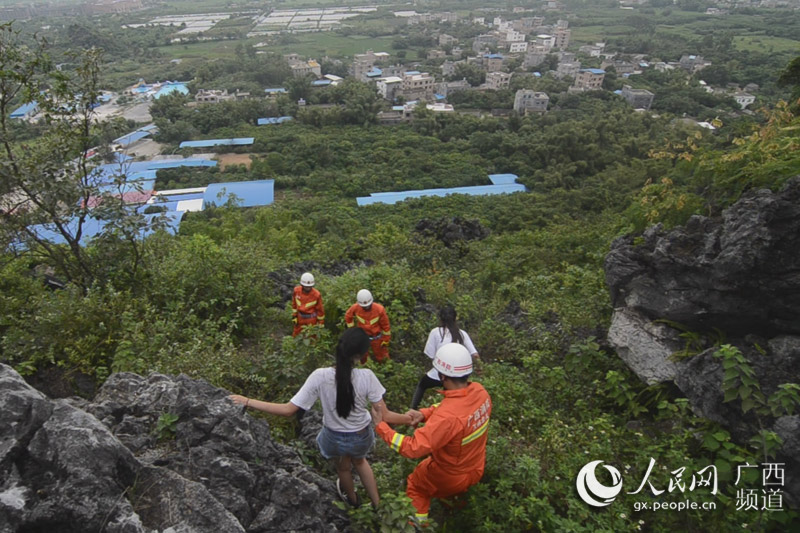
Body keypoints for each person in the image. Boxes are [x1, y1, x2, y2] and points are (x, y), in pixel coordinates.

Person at [229, 328, 409, 508]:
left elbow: (287, 409)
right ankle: (378, 506)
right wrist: (410, 418)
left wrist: (248, 401)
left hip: (334, 438)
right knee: (360, 461)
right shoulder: (367, 377)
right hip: (360, 436)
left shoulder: (320, 376)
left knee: (343, 468)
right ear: (362, 355)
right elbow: (385, 415)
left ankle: (353, 502)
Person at [372, 343, 492, 524]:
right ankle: (456, 509)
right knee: (453, 491)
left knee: (417, 486)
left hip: (449, 475)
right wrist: (424, 414)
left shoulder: (447, 418)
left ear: (443, 376)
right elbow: (450, 408)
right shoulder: (481, 393)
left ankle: (417, 526)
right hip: (476, 466)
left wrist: (381, 427)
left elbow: (412, 448)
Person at [411, 305, 480, 410]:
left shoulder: (435, 332)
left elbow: (430, 354)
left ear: (441, 318)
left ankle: (413, 410)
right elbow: (475, 354)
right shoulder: (462, 334)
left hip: (439, 373)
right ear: (455, 318)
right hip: (458, 376)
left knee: (422, 385)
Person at [344, 289, 391, 363]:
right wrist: (352, 329)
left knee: (382, 357)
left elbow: (386, 325)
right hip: (362, 338)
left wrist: (386, 339)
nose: (366, 307)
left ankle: (387, 371)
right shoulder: (355, 308)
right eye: (364, 306)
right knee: (362, 358)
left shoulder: (379, 309)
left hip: (377, 338)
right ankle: (364, 371)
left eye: (368, 305)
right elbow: (348, 316)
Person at [292, 272, 325, 337]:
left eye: (310, 286)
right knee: (296, 335)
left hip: (311, 320)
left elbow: (320, 310)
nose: (308, 288)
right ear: (302, 285)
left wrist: (321, 323)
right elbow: (294, 304)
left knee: (312, 337)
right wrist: (294, 316)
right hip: (300, 318)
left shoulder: (316, 294)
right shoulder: (296, 291)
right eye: (306, 287)